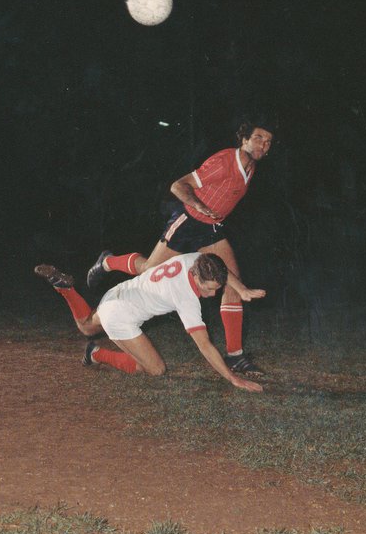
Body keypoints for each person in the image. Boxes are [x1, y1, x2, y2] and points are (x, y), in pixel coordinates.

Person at [86, 120, 274, 376]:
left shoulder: (250, 167)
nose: (264, 144)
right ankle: (108, 261)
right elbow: (178, 186)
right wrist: (199, 205)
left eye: (268, 141)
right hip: (188, 224)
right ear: (244, 139)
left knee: (233, 283)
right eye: (259, 138)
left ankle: (235, 356)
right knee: (148, 270)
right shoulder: (224, 162)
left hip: (211, 229)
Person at [34, 253, 264, 392]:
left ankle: (64, 288)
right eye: (208, 289)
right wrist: (232, 378)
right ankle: (96, 354)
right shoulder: (186, 297)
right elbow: (204, 345)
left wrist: (241, 289)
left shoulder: (196, 260)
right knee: (155, 369)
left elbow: (221, 269)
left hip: (119, 292)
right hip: (120, 317)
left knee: (86, 326)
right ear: (196, 276)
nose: (212, 294)